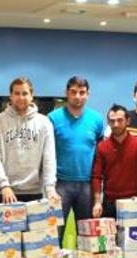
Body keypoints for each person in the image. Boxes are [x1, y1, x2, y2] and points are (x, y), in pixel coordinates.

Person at [48, 76, 105, 240]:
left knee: (87, 235)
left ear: (88, 94)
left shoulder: (97, 120)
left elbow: (101, 153)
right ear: (66, 93)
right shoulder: (52, 118)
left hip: (88, 184)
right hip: (60, 184)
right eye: (73, 92)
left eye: (82, 92)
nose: (77, 96)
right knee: (55, 233)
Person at [0, 77, 59, 204]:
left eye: (25, 93)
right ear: (10, 96)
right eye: (17, 93)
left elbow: (49, 157)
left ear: (32, 96)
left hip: (34, 192)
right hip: (5, 192)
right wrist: (4, 185)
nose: (21, 97)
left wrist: (50, 188)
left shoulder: (44, 123)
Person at [91, 104, 137, 218]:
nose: (116, 124)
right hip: (109, 204)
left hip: (134, 202)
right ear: (108, 122)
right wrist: (97, 202)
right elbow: (96, 176)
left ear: (128, 121)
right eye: (112, 121)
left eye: (120, 120)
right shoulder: (101, 147)